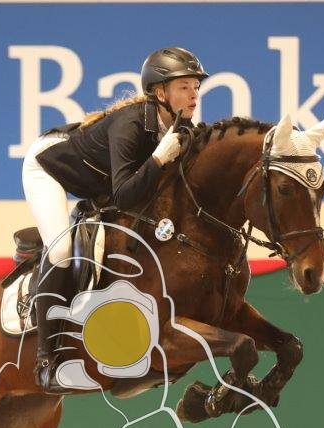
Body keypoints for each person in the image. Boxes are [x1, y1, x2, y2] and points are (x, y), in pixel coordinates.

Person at [20, 47, 208, 392]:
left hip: (99, 179)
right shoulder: (131, 123)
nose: (194, 94)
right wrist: (158, 158)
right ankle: (47, 361)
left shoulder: (181, 127)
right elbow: (124, 194)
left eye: (196, 86)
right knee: (62, 251)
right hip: (49, 167)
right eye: (184, 87)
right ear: (160, 93)